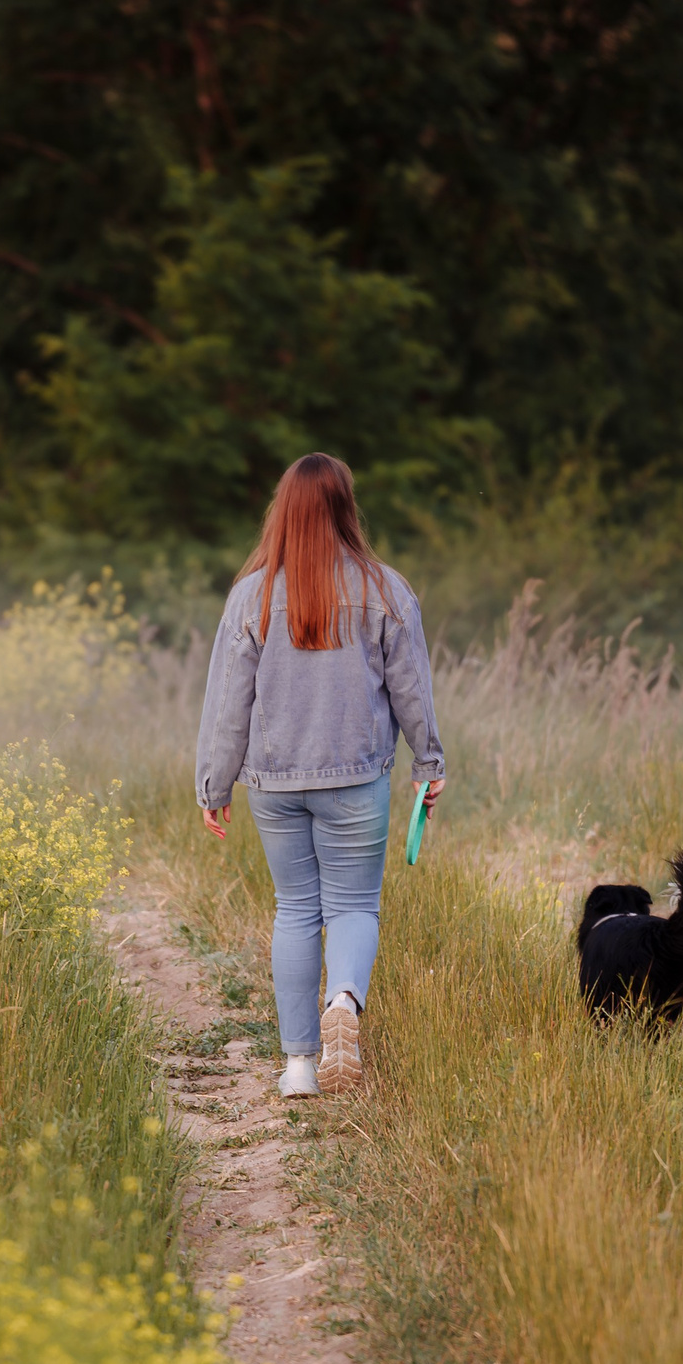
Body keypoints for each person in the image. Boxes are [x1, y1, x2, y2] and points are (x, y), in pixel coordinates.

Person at [195, 453, 446, 1098]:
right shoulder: (384, 588)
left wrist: (214, 786)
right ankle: (343, 1001)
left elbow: (230, 704)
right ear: (345, 508)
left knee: (296, 910)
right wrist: (429, 761)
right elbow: (411, 687)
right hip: (356, 776)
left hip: (273, 784)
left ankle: (300, 1066)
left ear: (282, 510)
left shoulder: (250, 595)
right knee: (355, 904)